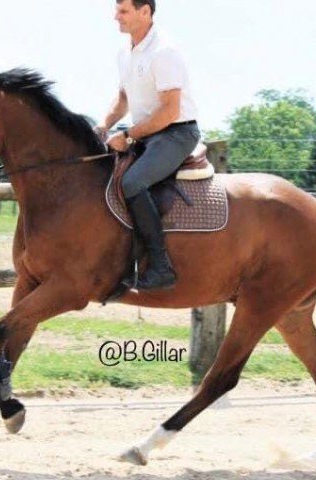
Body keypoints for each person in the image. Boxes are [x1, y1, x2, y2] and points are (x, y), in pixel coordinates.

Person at [96, 0, 200, 290]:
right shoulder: (125, 51)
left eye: (123, 10)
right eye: (116, 9)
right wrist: (104, 125)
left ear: (146, 12)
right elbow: (124, 98)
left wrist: (128, 135)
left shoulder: (163, 51)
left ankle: (161, 266)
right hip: (147, 133)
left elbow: (169, 111)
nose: (115, 16)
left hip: (176, 133)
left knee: (132, 183)